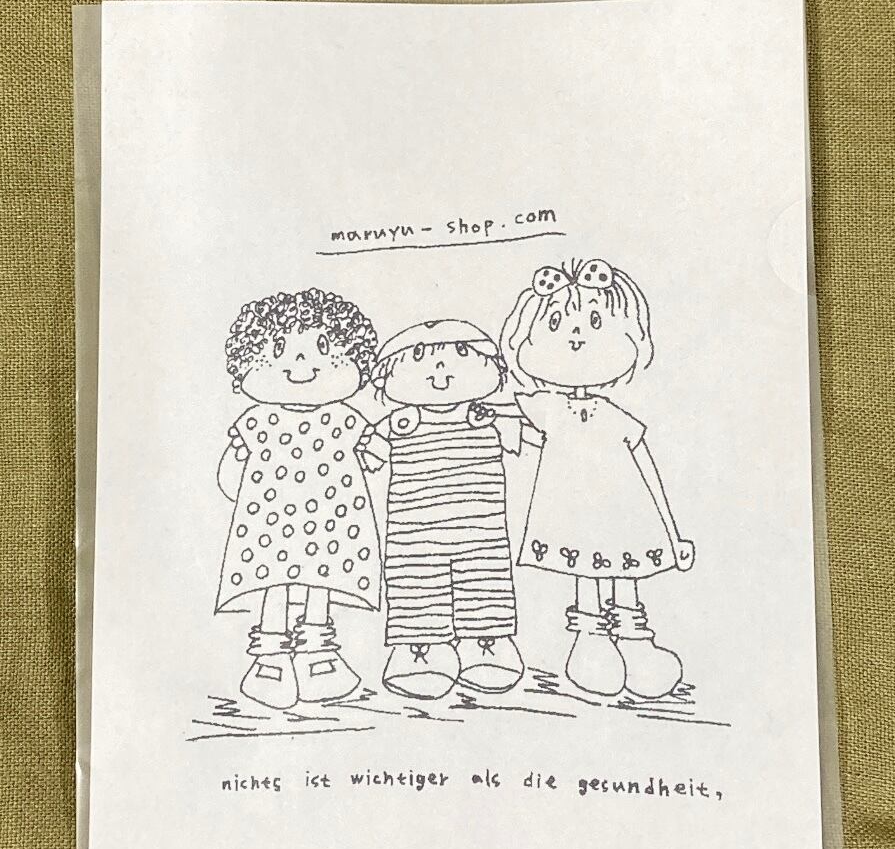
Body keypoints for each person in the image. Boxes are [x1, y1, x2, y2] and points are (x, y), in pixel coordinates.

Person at [501, 259, 694, 700]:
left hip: (624, 509)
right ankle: (590, 640)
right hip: (573, 512)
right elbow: (507, 412)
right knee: (585, 571)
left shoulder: (614, 416)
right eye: (555, 324)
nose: (576, 336)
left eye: (594, 323)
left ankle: (636, 640)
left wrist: (672, 532)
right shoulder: (546, 405)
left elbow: (646, 467)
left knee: (625, 570)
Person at [215, 289, 383, 711]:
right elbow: (232, 467)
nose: (302, 363)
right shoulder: (257, 418)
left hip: (332, 516)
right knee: (273, 581)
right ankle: (270, 656)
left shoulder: (345, 417)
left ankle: (317, 653)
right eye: (280, 350)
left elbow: (377, 454)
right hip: (269, 518)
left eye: (323, 347)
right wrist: (235, 486)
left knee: (320, 579)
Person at [366, 320, 525, 700]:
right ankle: (419, 649)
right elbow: (366, 458)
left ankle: (486, 642)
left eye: (462, 353)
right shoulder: (399, 424)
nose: (440, 368)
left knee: (485, 579)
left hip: (480, 530)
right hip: (414, 533)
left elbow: (540, 441)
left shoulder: (488, 417)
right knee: (415, 585)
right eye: (419, 356)